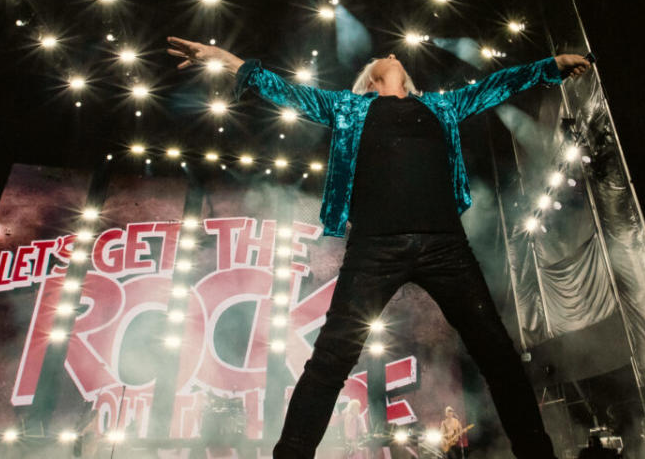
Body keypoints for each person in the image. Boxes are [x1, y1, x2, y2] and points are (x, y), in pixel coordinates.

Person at [167, 36, 591, 459]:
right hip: (374, 248)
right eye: (383, 56)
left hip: (445, 246)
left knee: (498, 355)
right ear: (371, 79)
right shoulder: (350, 108)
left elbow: (497, 85)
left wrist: (550, 65)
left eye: (395, 56)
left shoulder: (442, 107)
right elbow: (285, 90)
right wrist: (227, 60)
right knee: (331, 360)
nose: (392, 54)